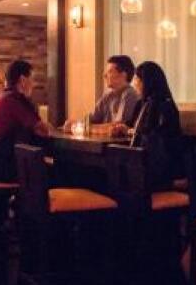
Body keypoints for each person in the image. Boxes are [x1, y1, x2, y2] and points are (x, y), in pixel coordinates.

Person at [0, 59, 50, 181]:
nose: (33, 84)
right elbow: (44, 131)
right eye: (32, 79)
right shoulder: (16, 99)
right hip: (2, 169)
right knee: (58, 173)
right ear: (22, 80)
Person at [126, 61, 183, 190]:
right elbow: (133, 127)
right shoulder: (143, 103)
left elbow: (154, 136)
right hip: (145, 158)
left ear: (147, 82)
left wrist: (133, 131)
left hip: (160, 166)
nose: (134, 84)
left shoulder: (163, 105)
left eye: (137, 80)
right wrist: (126, 129)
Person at [63, 55, 140, 134]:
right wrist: (76, 123)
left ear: (123, 75)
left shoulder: (130, 95)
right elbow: (92, 119)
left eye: (110, 71)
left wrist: (84, 127)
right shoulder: (107, 95)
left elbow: (117, 126)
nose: (105, 75)